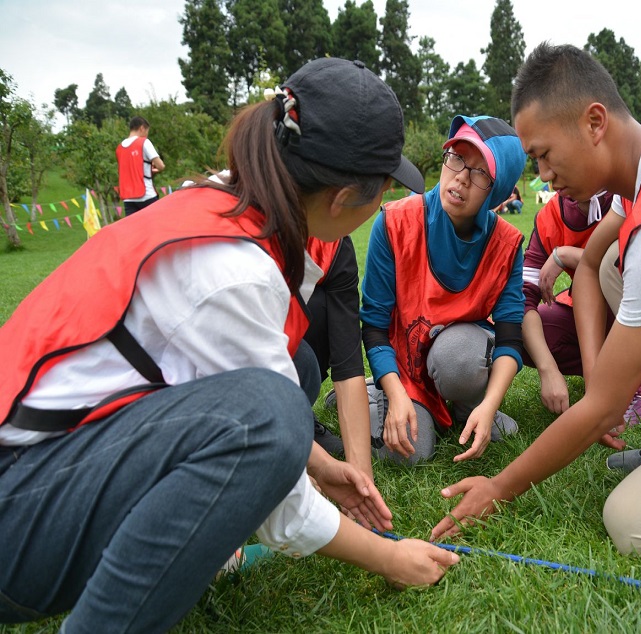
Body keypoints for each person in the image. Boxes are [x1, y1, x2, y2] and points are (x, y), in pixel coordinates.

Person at [0, 58, 459, 632]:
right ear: (343, 198)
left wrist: (320, 462)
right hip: (17, 512)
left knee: (291, 384)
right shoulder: (234, 271)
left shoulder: (219, 203)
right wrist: (390, 556)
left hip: (37, 473)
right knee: (273, 413)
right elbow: (276, 493)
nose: (383, 205)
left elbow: (188, 384)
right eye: (383, 190)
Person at [431, 42, 641, 565]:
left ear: (594, 122)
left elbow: (598, 412)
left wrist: (499, 487)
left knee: (635, 523)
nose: (543, 176)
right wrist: (602, 386)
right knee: (618, 257)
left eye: (544, 155)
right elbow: (593, 265)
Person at [360, 114, 527, 466]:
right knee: (408, 455)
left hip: (454, 356)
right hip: (403, 363)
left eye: (480, 172)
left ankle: (470, 407)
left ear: (498, 190)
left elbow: (511, 338)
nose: (461, 177)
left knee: (461, 359)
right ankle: (375, 391)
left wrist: (490, 404)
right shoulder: (393, 222)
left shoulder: (506, 244)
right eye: (458, 158)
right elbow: (373, 325)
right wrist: (396, 392)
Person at [521, 191, 641, 424]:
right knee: (531, 333)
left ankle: (633, 382)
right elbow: (522, 297)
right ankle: (606, 381)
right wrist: (547, 368)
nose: (546, 174)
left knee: (610, 270)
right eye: (539, 158)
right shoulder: (550, 214)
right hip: (588, 309)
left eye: (550, 155)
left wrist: (569, 255)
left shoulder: (625, 192)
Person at [301, 236, 375, 479]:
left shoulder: (334, 242)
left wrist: (361, 479)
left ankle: (298, 416)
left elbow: (348, 365)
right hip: (205, 378)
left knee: (319, 308)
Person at [116, 115, 165, 216]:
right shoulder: (144, 142)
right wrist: (155, 169)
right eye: (147, 132)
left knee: (134, 231)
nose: (146, 135)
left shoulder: (119, 148)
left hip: (128, 198)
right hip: (146, 194)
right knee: (155, 228)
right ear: (142, 128)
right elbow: (160, 165)